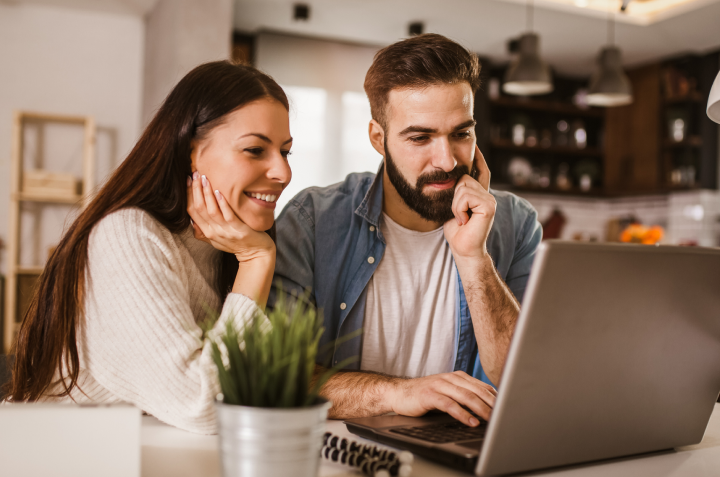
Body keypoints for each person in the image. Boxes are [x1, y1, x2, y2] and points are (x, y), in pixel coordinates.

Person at [3, 61, 292, 434]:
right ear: (190, 153)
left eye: (286, 152)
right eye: (255, 149)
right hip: (50, 456)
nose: (283, 173)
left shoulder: (229, 248)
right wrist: (256, 262)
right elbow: (204, 406)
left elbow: (261, 391)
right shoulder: (127, 236)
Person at [271, 34, 542, 428]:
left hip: (463, 453)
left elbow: (525, 380)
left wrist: (473, 258)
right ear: (378, 139)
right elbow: (280, 379)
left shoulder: (514, 222)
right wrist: (400, 393)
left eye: (461, 133)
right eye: (420, 137)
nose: (447, 160)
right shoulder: (312, 221)